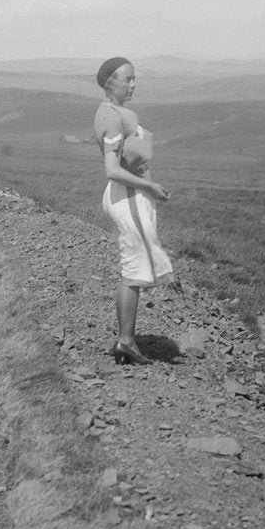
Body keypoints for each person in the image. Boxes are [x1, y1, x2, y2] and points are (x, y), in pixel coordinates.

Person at [93, 57, 174, 365]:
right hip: (127, 196)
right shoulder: (109, 117)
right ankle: (126, 341)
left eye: (134, 79)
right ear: (109, 82)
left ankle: (127, 339)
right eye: (127, 79)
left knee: (136, 266)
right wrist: (149, 187)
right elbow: (112, 169)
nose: (133, 85)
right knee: (134, 270)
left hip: (131, 195)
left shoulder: (116, 113)